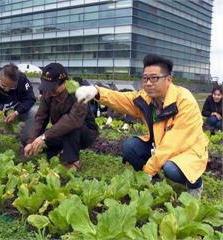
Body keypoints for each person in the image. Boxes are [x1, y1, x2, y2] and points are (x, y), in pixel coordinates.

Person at [75, 54, 209, 197]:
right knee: (130, 147)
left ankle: (195, 184)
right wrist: (97, 92)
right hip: (160, 143)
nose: (148, 83)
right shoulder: (146, 97)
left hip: (188, 148)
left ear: (168, 80)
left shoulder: (184, 101)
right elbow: (124, 99)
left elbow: (172, 145)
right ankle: (155, 182)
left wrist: (147, 172)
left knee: (171, 168)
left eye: (154, 78)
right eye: (145, 78)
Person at [24, 63, 99, 170]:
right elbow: (41, 118)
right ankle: (59, 151)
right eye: (47, 87)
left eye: (53, 88)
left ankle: (72, 161)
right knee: (47, 137)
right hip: (63, 131)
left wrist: (43, 137)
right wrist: (31, 141)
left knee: (69, 128)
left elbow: (73, 120)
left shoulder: (78, 92)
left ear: (64, 83)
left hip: (84, 133)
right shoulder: (48, 94)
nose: (50, 91)